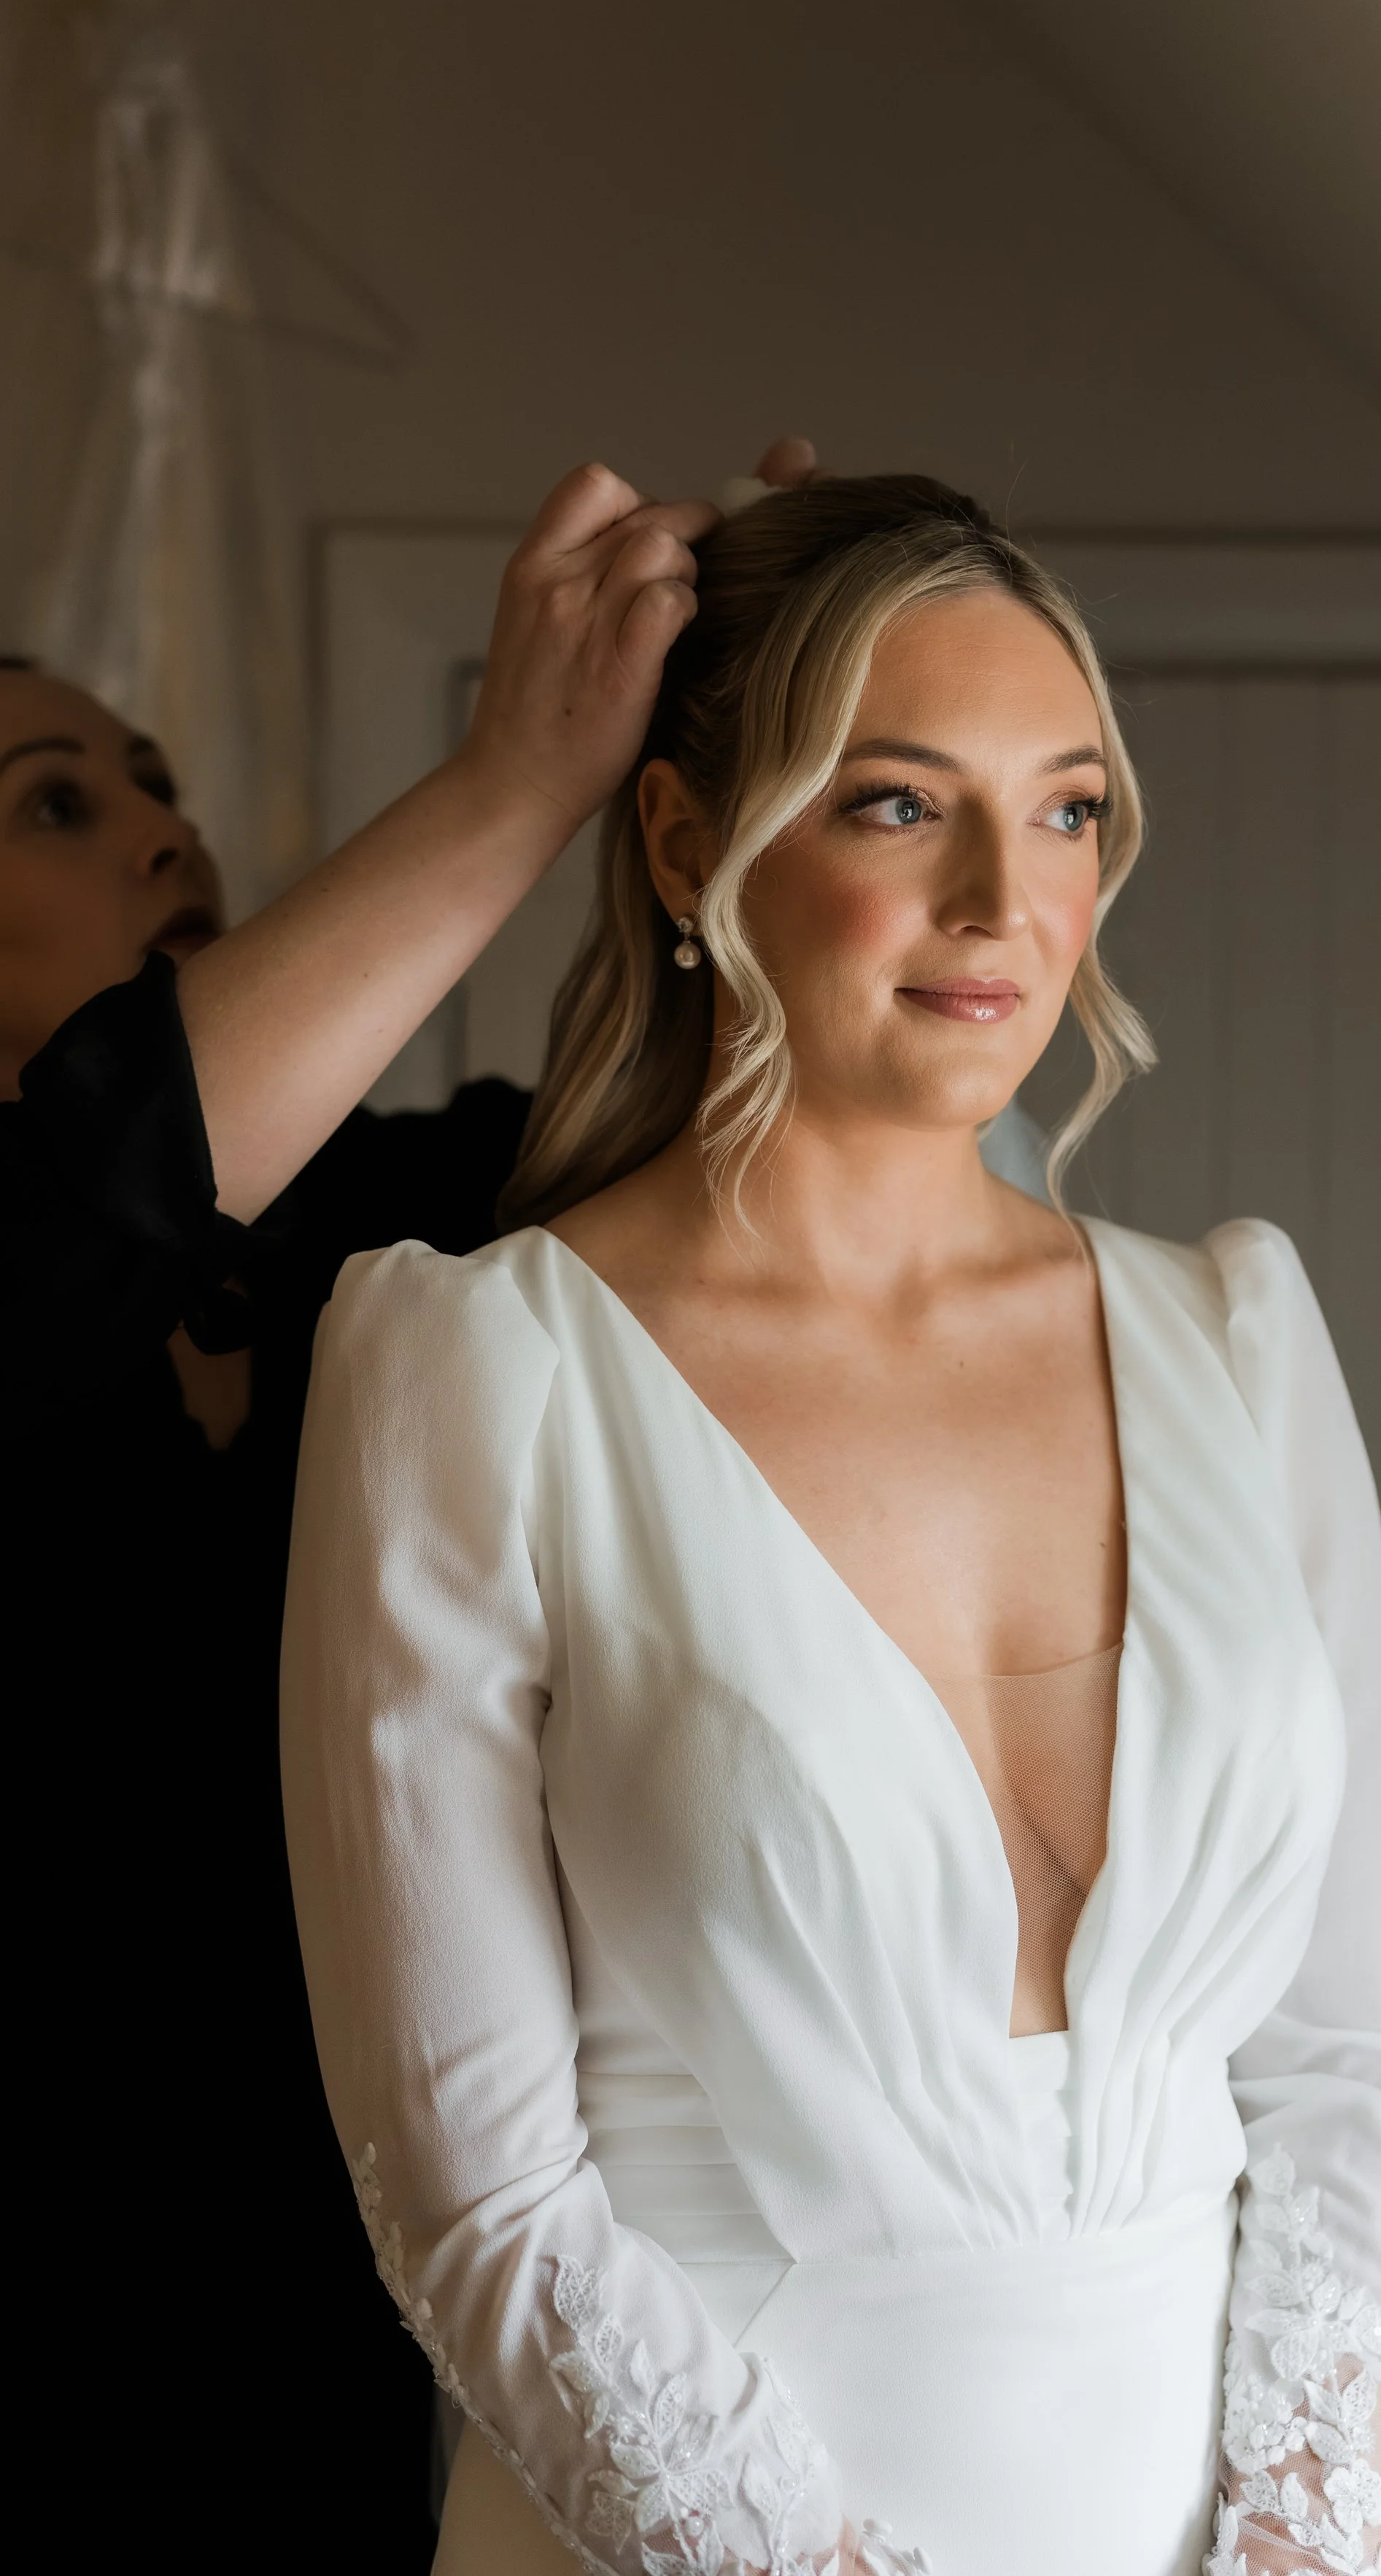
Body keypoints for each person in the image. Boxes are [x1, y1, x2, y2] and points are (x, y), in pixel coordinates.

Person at [281, 475, 1381, 2576]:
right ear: (682, 847)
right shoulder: (478, 1369)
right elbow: (469, 2190)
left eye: (1070, 807)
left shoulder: (1237, 1339)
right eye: (899, 806)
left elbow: (1358, 2072)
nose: (1007, 897)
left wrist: (1301, 2536)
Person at [1, 443, 814, 2565]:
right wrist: (509, 785)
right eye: (50, 800)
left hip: (359, 2393)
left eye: (152, 772)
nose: (164, 821)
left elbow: (746, 1145)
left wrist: (763, 726)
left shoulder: (390, 1230)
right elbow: (103, 1175)